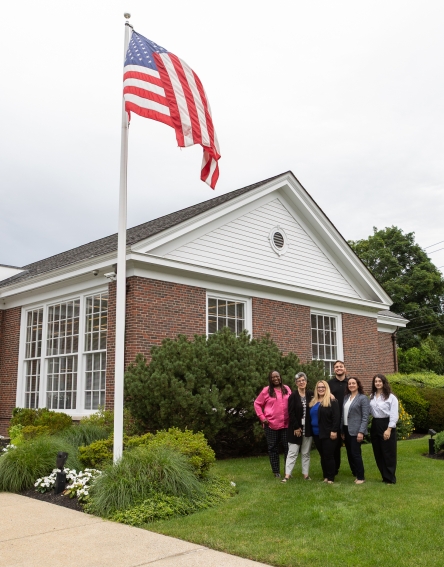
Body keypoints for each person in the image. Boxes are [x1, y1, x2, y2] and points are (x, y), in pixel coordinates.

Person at [254, 370, 291, 477]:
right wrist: (262, 417)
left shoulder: (287, 388)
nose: (276, 379)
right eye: (273, 377)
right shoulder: (266, 390)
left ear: (280, 377)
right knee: (273, 448)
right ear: (270, 379)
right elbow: (257, 403)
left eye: (277, 376)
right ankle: (276, 472)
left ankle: (287, 471)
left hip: (286, 424)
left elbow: (292, 401)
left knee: (288, 448)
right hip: (271, 425)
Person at [281, 372, 313, 483]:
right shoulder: (293, 396)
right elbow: (291, 413)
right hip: (296, 429)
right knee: (293, 452)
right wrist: (296, 427)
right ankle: (287, 475)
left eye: (303, 380)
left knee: (306, 453)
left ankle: (306, 475)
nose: (301, 382)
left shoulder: (311, 394)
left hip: (307, 429)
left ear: (306, 381)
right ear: (296, 383)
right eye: (299, 381)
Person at [369, 373, 399, 484]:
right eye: (376, 381)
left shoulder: (391, 397)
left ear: (384, 383)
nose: (377, 383)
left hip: (386, 424)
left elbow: (394, 414)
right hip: (375, 423)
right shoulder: (372, 396)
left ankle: (390, 478)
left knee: (388, 452)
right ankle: (384, 475)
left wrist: (389, 429)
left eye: (379, 381)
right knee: (378, 451)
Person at [309, 380, 340, 483]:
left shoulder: (332, 401)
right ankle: (325, 476)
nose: (321, 389)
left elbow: (336, 417)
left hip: (328, 432)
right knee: (322, 455)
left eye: (323, 387)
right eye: (319, 387)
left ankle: (331, 478)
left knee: (328, 455)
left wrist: (334, 430)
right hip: (316, 433)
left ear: (326, 389)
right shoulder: (314, 401)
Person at [341, 376, 370, 484]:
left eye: (353, 383)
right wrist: (342, 431)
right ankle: (355, 472)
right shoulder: (346, 397)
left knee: (355, 453)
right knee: (349, 453)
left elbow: (365, 416)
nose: (351, 385)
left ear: (358, 385)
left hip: (356, 430)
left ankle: (361, 477)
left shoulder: (362, 398)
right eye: (349, 384)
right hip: (346, 429)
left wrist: (361, 431)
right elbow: (343, 415)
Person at [328, 360, 349, 475]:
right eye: (336, 367)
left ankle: (355, 469)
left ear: (345, 369)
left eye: (341, 366)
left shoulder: (350, 383)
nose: (338, 368)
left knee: (351, 446)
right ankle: (335, 469)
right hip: (335, 418)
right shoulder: (329, 384)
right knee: (335, 446)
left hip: (348, 418)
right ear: (334, 369)